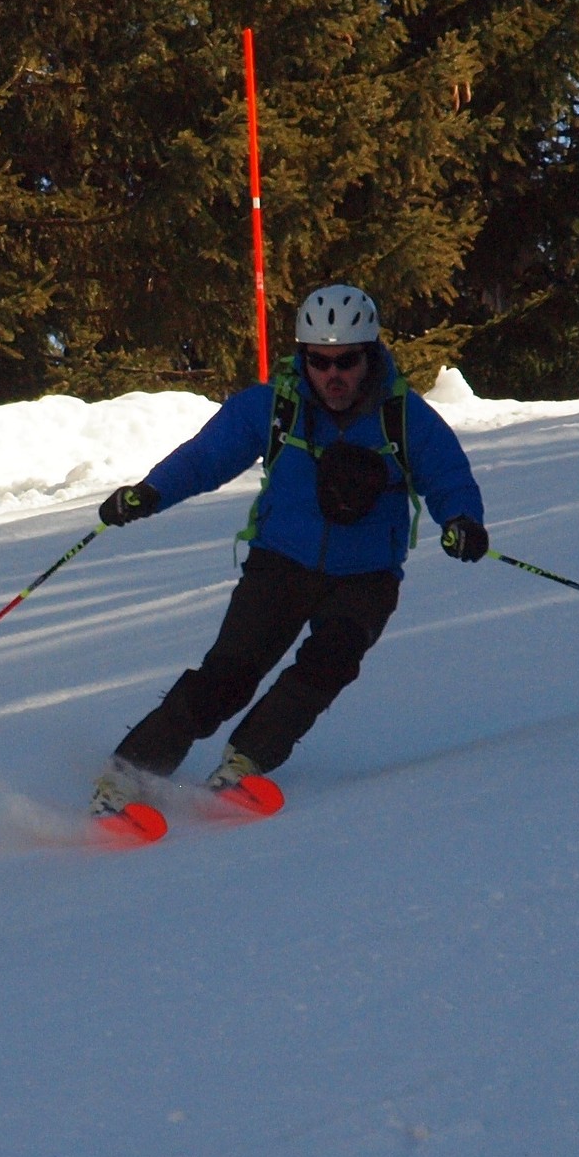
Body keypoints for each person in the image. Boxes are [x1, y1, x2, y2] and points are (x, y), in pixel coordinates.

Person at [89, 284, 490, 814]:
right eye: (319, 361)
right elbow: (206, 458)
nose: (333, 375)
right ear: (303, 358)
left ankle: (244, 765)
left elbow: (447, 476)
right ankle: (128, 774)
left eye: (347, 360)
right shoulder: (274, 406)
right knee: (228, 676)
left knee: (328, 665)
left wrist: (463, 521)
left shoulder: (404, 417)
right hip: (281, 563)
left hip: (367, 577)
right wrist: (151, 493)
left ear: (370, 355)